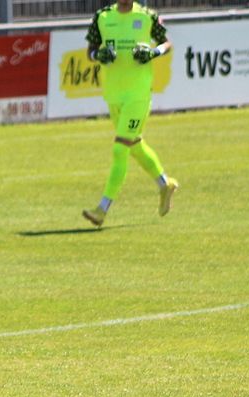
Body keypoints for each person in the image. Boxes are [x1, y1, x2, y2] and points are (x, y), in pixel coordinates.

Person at [82, 0, 178, 227]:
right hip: (113, 94)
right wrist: (99, 55)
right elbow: (90, 51)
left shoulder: (147, 16)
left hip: (138, 94)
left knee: (120, 148)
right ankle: (165, 184)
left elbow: (166, 43)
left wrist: (153, 52)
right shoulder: (102, 17)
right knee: (134, 145)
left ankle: (102, 209)